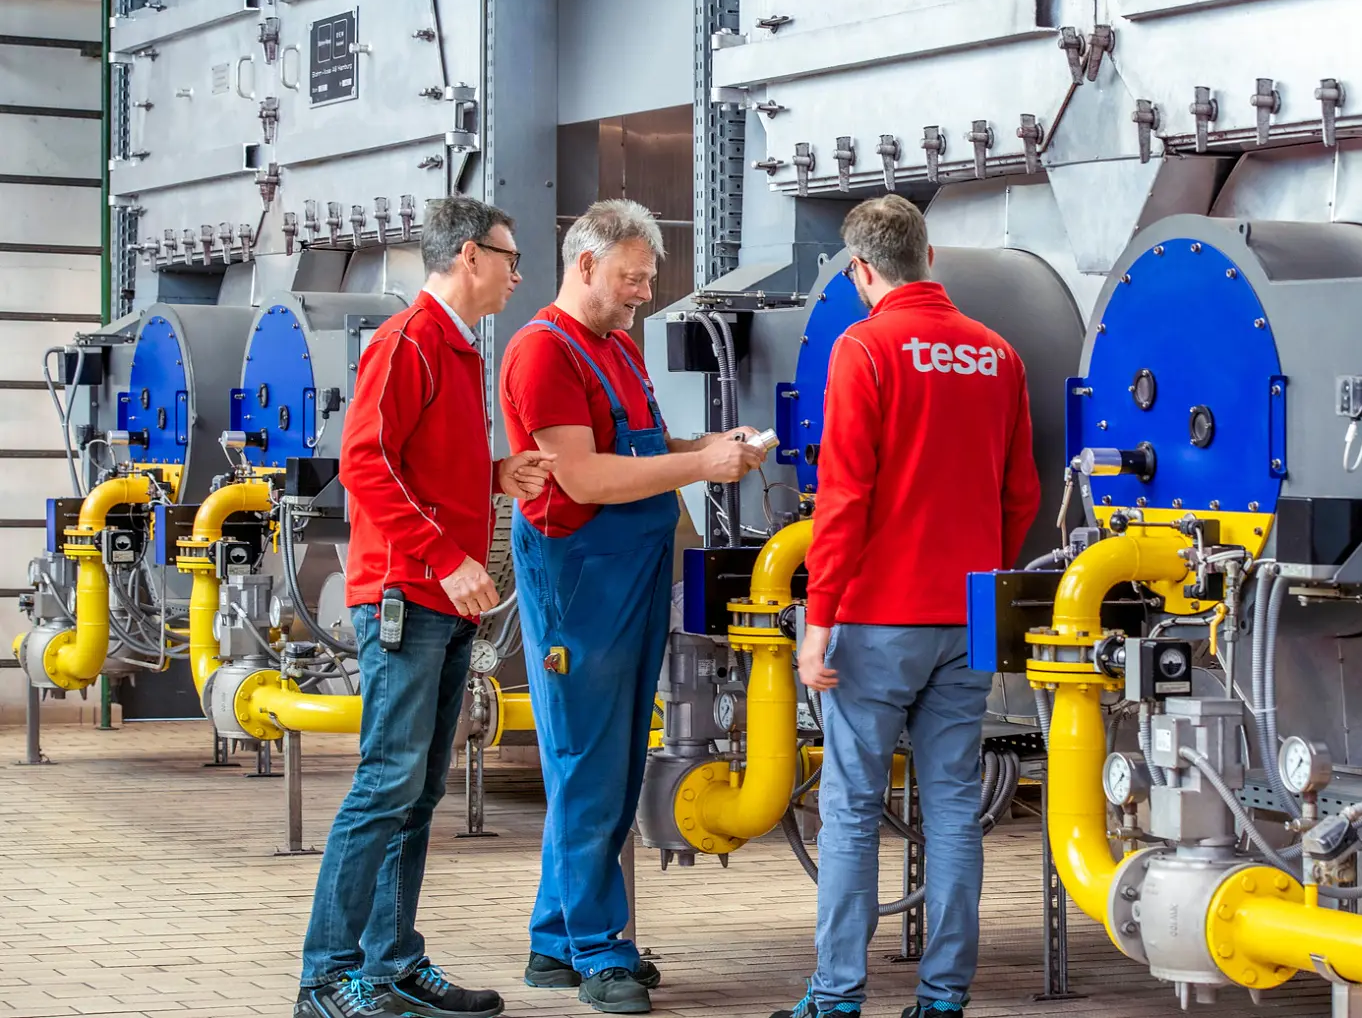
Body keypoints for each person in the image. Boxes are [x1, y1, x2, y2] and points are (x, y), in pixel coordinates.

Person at [498, 199, 766, 1015]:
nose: (646, 294)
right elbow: (584, 477)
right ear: (585, 265)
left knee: (608, 759)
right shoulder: (543, 352)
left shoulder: (613, 346)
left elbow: (639, 450)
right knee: (588, 762)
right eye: (633, 278)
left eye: (649, 279)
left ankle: (555, 942)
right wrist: (698, 469)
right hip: (580, 576)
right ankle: (600, 951)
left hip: (633, 568)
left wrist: (711, 448)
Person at [775, 195, 1040, 1018]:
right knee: (954, 806)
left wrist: (819, 620)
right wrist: (981, 573)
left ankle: (836, 997)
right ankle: (942, 998)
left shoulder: (864, 347)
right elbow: (1021, 495)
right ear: (929, 256)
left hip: (876, 622)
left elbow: (843, 497)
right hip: (967, 618)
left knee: (853, 808)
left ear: (861, 270)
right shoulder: (997, 354)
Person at [297, 195, 555, 1018]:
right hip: (407, 595)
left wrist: (494, 476)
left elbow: (417, 464)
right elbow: (364, 465)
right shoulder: (407, 340)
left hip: (438, 602)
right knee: (385, 784)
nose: (517, 275)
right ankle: (326, 979)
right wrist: (446, 558)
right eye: (510, 258)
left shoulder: (457, 348)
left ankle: (390, 964)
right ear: (469, 255)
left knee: (416, 792)